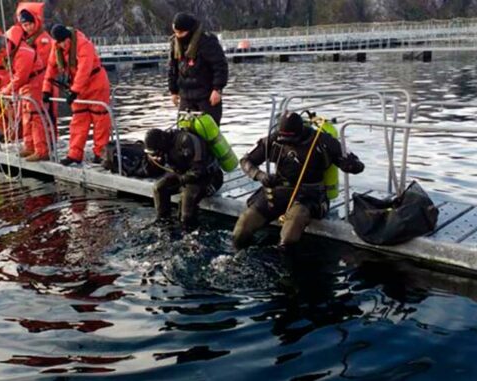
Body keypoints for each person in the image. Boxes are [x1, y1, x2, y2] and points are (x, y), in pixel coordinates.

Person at [232, 112, 365, 251]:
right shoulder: (274, 140)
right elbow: (246, 161)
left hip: (310, 195)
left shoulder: (322, 141)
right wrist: (259, 175)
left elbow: (358, 165)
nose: (287, 142)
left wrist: (350, 165)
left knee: (289, 235)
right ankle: (238, 257)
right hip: (278, 191)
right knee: (242, 227)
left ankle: (284, 263)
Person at [44, 24, 111, 166]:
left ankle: (100, 153)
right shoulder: (56, 47)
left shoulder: (84, 45)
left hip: (96, 84)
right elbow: (51, 67)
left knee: (100, 120)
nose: (62, 45)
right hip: (78, 88)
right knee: (78, 120)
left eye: (64, 41)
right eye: (60, 42)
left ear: (68, 37)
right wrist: (46, 89)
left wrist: (74, 91)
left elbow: (84, 70)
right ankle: (74, 154)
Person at [144, 128, 223, 228]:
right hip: (185, 176)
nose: (158, 156)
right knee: (159, 188)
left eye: (157, 153)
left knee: (187, 202)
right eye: (154, 154)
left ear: (162, 143)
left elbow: (199, 170)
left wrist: (181, 180)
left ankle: (189, 230)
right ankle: (163, 221)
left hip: (209, 178)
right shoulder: (166, 148)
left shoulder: (186, 141)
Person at [0, 25, 48, 162]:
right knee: (26, 116)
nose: (0, 56)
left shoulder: (23, 53)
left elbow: (20, 77)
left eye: (0, 52)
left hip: (35, 83)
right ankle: (29, 146)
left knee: (35, 117)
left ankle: (41, 150)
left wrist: (7, 90)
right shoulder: (14, 52)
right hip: (26, 86)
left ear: (4, 47)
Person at [168, 12, 228, 125]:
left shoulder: (207, 42)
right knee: (183, 131)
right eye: (175, 32)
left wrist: (217, 89)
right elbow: (173, 68)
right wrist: (173, 91)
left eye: (181, 32)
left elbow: (220, 66)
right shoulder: (174, 43)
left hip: (207, 96)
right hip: (186, 96)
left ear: (190, 30)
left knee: (207, 132)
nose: (178, 36)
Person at [16, 2, 59, 128]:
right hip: (30, 84)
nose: (27, 27)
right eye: (24, 25)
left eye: (29, 24)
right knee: (31, 117)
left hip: (44, 82)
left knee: (48, 114)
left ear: (35, 22)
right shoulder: (25, 40)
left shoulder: (43, 39)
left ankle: (51, 142)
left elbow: (45, 62)